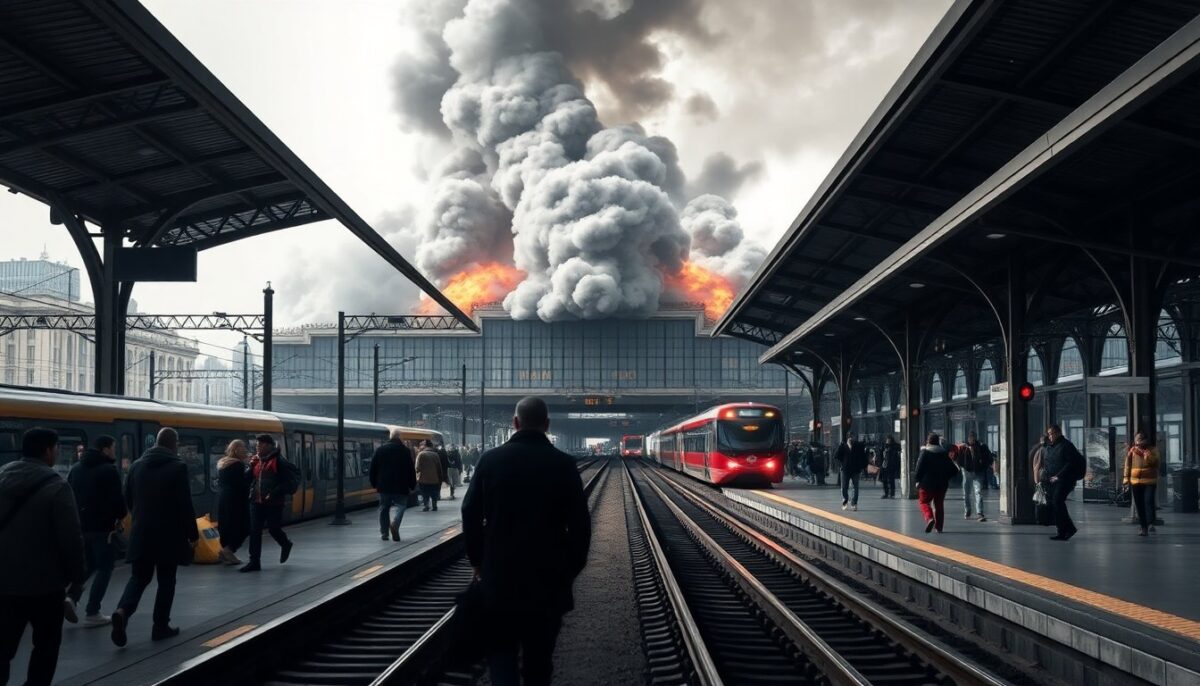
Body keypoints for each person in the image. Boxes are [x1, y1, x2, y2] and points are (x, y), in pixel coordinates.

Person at [462, 397, 591, 686]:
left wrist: (478, 561)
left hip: (499, 580)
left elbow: (469, 513)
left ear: (515, 423)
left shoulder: (490, 460)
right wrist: (568, 571)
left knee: (501, 654)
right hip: (548, 583)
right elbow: (581, 528)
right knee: (539, 662)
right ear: (547, 425)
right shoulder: (564, 464)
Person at [0, 428, 85, 686]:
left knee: (2, 647)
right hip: (45, 585)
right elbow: (71, 538)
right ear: (49, 450)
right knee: (45, 647)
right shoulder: (57, 486)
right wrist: (77, 579)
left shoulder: (2, 478)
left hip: (3, 583)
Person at [111, 428, 199, 646]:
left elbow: (127, 499)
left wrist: (140, 518)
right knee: (166, 581)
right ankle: (160, 626)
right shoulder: (178, 467)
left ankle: (122, 612)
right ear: (174, 443)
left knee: (139, 578)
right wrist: (192, 534)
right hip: (169, 536)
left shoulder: (136, 465)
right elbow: (184, 505)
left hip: (142, 534)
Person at [66, 435, 127, 626]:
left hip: (82, 527)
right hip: (103, 529)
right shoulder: (109, 470)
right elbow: (118, 502)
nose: (115, 451)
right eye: (113, 447)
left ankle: (71, 596)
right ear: (105, 449)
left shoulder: (76, 469)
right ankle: (93, 611)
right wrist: (121, 515)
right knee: (105, 567)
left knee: (90, 564)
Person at [240, 435, 295, 573]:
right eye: (257, 445)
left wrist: (275, 492)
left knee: (273, 529)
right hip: (256, 501)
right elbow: (247, 479)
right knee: (255, 531)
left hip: (273, 502)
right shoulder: (257, 461)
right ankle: (254, 562)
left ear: (268, 445)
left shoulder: (279, 461)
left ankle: (285, 543)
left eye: (260, 445)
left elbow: (289, 482)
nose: (257, 447)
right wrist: (250, 466)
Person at [369, 428, 416, 541]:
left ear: (390, 437)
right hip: (401, 485)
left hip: (384, 486)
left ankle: (384, 533)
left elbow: (373, 468)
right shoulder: (405, 451)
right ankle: (395, 523)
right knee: (401, 506)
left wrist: (374, 483)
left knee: (384, 508)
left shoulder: (380, 450)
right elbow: (410, 469)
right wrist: (412, 484)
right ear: (399, 437)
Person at [1040, 424, 1084, 541]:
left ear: (1058, 433)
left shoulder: (1066, 445)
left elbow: (1071, 463)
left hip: (1065, 480)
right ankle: (1064, 530)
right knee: (1056, 504)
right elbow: (1047, 464)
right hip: (1051, 481)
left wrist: (1058, 476)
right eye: (1048, 434)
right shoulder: (1050, 447)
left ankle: (1066, 530)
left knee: (1057, 501)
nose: (1049, 436)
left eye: (1052, 433)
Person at [215, 440, 252, 565]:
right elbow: (241, 485)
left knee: (226, 526)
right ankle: (228, 550)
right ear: (236, 451)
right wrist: (250, 473)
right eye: (243, 450)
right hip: (236, 500)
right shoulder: (238, 465)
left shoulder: (222, 464)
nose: (245, 452)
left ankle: (225, 551)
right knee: (244, 526)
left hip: (223, 498)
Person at [914, 433, 958, 533]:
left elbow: (919, 469)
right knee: (939, 505)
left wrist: (917, 480)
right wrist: (945, 477)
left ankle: (929, 518)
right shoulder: (943, 453)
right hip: (941, 485)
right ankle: (939, 527)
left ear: (928, 441)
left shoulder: (925, 453)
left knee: (924, 502)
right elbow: (954, 470)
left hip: (926, 484)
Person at [1123, 432, 1159, 537]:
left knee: (1148, 502)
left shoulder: (1153, 450)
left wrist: (1145, 454)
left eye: (1142, 439)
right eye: (1138, 439)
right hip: (1136, 481)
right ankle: (1143, 527)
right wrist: (1126, 479)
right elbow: (1127, 465)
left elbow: (1155, 463)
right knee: (1139, 505)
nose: (1140, 441)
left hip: (1149, 481)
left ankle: (1149, 523)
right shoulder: (1132, 451)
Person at [959, 432, 993, 522]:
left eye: (973, 438)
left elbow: (988, 458)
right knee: (967, 493)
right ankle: (968, 510)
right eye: (971, 438)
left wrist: (983, 466)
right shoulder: (964, 448)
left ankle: (979, 512)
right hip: (969, 471)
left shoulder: (981, 447)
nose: (972, 440)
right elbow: (959, 459)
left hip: (976, 471)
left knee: (977, 492)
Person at [835, 436, 867, 511]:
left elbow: (863, 457)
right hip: (845, 470)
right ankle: (845, 501)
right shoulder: (843, 446)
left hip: (855, 470)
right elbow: (836, 456)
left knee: (855, 487)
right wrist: (841, 464)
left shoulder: (858, 447)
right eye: (849, 438)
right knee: (844, 487)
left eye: (852, 437)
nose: (851, 439)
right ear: (847, 439)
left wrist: (862, 466)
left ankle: (854, 503)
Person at [415, 441, 444, 511]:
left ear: (425, 446)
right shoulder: (435, 455)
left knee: (425, 493)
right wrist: (440, 478)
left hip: (423, 479)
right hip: (434, 479)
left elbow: (417, 468)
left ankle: (426, 505)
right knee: (434, 493)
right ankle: (434, 505)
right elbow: (439, 468)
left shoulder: (421, 454)